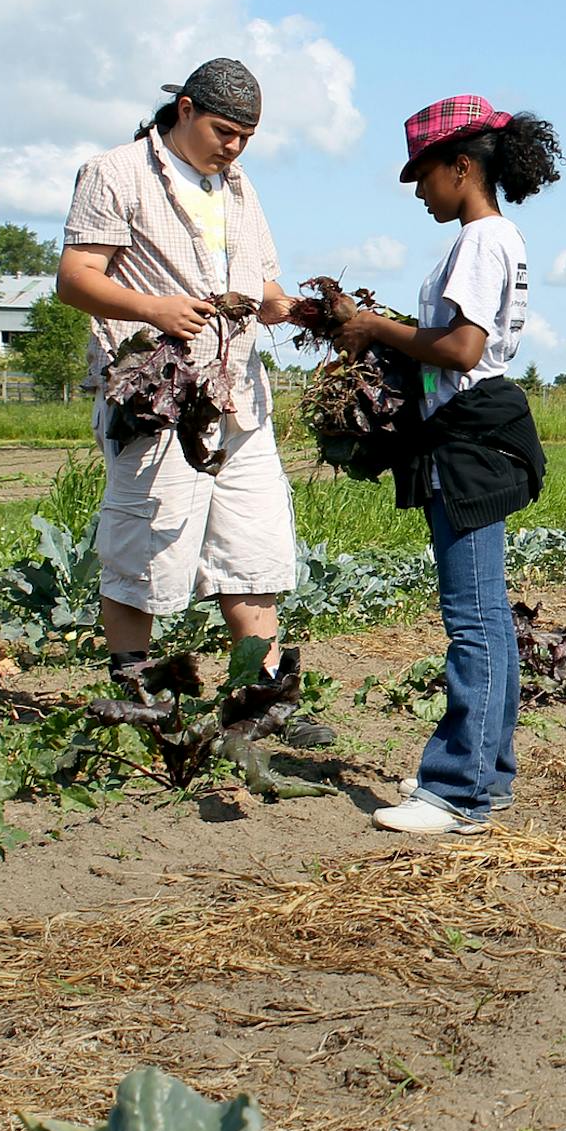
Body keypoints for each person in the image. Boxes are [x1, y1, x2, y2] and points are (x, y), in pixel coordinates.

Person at [56, 58, 333, 745]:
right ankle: (139, 697)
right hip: (160, 398)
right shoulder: (114, 173)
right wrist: (156, 309)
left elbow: (262, 291)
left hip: (239, 399)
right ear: (183, 108)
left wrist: (307, 314)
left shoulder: (239, 189)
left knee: (254, 550)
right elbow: (75, 278)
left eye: (246, 135)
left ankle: (263, 703)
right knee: (145, 543)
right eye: (223, 130)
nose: (233, 145)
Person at [332, 95, 560, 835]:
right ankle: (485, 779)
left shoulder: (480, 242)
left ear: (461, 166)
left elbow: (461, 350)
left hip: (466, 438)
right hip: (474, 430)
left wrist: (373, 327)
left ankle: (454, 791)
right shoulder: (495, 239)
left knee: (472, 621)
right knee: (488, 615)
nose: (418, 190)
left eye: (423, 174)